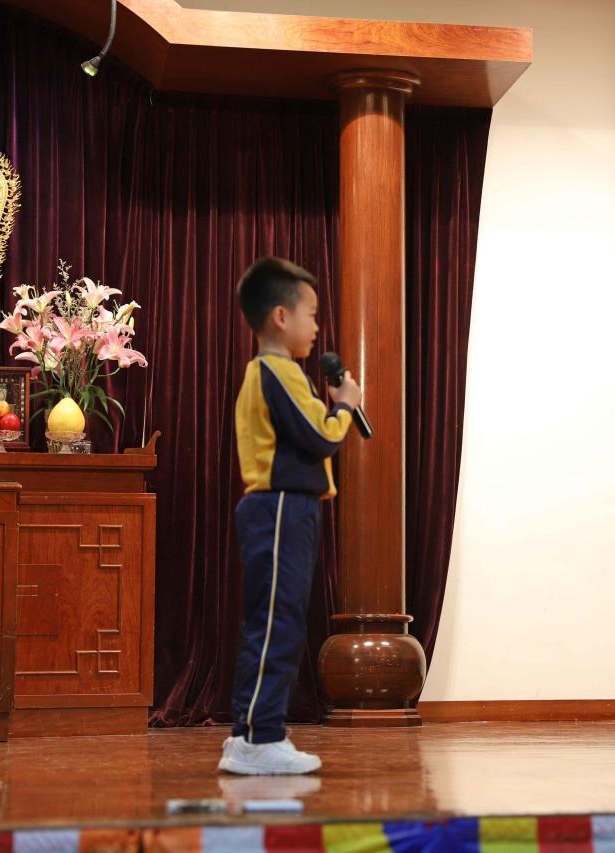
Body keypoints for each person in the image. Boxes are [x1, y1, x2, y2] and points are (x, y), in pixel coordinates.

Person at [218, 257, 360, 776]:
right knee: (277, 622)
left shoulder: (273, 374)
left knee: (275, 620)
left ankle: (249, 734)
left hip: (283, 508)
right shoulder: (277, 372)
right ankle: (260, 738)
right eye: (312, 314)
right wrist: (345, 405)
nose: (317, 326)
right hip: (280, 508)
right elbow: (321, 436)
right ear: (281, 316)